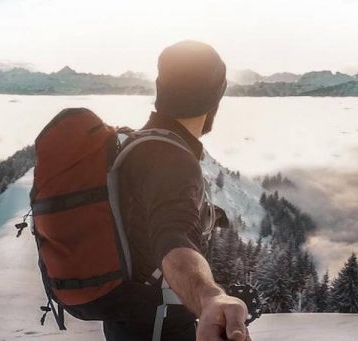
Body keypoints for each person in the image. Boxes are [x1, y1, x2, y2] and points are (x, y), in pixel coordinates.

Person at [104, 40, 250, 341]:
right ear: (215, 98)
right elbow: (173, 238)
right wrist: (209, 296)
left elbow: (153, 216)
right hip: (160, 327)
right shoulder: (171, 159)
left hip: (130, 323)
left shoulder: (137, 144)